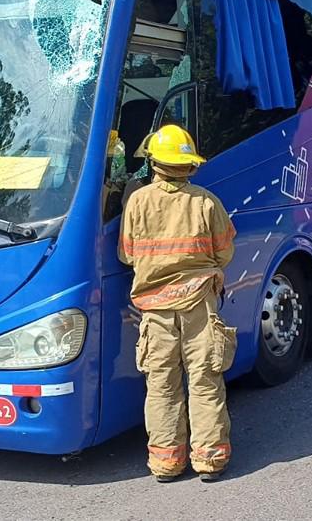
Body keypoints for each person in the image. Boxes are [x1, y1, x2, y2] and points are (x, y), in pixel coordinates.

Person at [118, 124, 238, 483]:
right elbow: (225, 252)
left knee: (162, 386)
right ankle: (210, 460)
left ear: (153, 162)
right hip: (200, 305)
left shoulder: (137, 201)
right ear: (189, 165)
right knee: (204, 381)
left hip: (154, 311)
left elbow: (126, 255)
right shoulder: (206, 202)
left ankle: (167, 463)